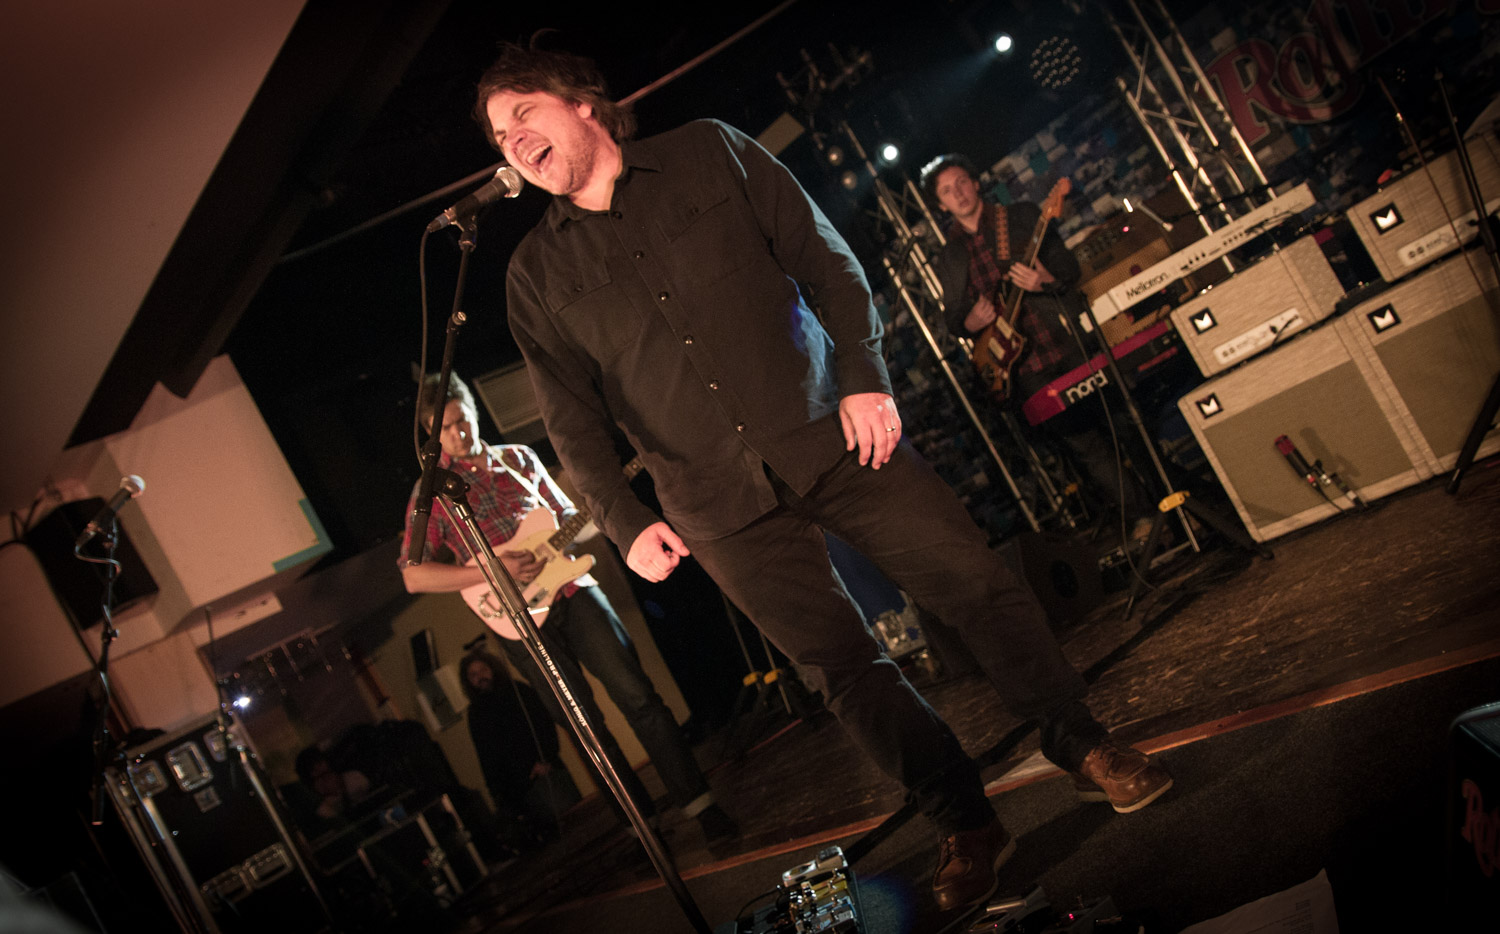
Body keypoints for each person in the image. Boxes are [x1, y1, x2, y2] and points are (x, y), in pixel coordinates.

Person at [473, 42, 1174, 912]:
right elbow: (571, 421)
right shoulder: (535, 275)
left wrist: (865, 377)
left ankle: (1082, 743)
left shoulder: (710, 150)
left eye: (523, 115)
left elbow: (828, 262)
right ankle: (966, 819)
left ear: (582, 102)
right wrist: (622, 519)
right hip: (713, 504)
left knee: (975, 586)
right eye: (498, 134)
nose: (511, 140)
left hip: (833, 431)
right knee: (846, 671)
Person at [397, 372, 739, 848]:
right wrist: (490, 570)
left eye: (463, 420)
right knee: (586, 730)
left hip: (574, 590)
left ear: (474, 410)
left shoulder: (519, 459)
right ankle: (643, 829)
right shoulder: (431, 493)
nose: (459, 434)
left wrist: (601, 514)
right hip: (517, 621)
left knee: (638, 696)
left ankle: (700, 805)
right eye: (447, 428)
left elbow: (572, 526)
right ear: (432, 433)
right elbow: (413, 574)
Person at [921, 152, 1156, 540]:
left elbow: (1068, 269)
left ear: (976, 183)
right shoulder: (949, 255)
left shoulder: (1022, 216)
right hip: (1022, 368)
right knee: (1085, 447)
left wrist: (1043, 280)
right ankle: (1145, 517)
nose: (958, 193)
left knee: (1126, 423)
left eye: (961, 182)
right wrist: (969, 322)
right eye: (947, 191)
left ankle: (1173, 499)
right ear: (941, 204)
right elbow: (952, 316)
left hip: (1063, 341)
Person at [460, 647, 582, 849]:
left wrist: (546, 760)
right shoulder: (476, 714)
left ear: (492, 668)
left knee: (575, 828)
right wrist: (497, 792)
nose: (479, 677)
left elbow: (544, 725)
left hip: (545, 775)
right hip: (516, 790)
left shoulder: (518, 691)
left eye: (482, 670)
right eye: (473, 674)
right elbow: (487, 755)